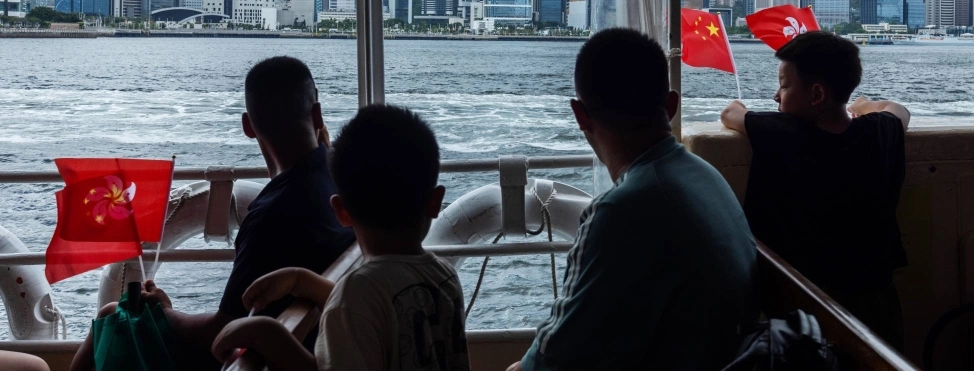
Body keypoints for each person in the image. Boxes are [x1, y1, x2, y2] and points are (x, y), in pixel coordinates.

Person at [69, 56, 356, 371]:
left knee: (112, 316)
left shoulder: (272, 215)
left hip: (257, 360)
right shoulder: (341, 179)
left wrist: (165, 314)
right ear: (317, 113)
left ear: (248, 126)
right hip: (309, 341)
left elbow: (223, 331)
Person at [509, 28, 758, 371]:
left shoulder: (620, 211)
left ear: (580, 116)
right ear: (671, 106)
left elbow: (550, 363)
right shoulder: (705, 175)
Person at [211, 104, 469, 371]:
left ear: (341, 212)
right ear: (436, 202)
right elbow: (391, 306)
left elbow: (365, 304)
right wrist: (302, 280)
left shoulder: (354, 296)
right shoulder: (445, 277)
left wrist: (269, 335)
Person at [720, 31, 909, 348]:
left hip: (802, 303)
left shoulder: (781, 134)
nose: (776, 97)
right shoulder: (879, 132)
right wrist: (862, 105)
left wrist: (740, 104)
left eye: (783, 86)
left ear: (817, 94)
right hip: (876, 300)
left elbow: (730, 114)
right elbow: (899, 110)